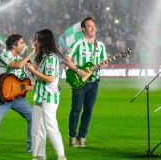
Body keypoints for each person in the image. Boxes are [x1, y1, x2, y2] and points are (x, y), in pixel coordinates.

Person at [0, 34, 34, 155]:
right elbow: (17, 65)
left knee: (33, 117)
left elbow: (25, 82)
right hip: (2, 98)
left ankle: (31, 146)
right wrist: (32, 53)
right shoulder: (4, 55)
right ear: (14, 45)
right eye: (21, 43)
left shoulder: (20, 58)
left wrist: (41, 86)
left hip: (17, 98)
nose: (23, 45)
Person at [62, 16, 107, 148]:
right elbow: (66, 59)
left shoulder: (101, 45)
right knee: (76, 110)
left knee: (88, 111)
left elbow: (104, 63)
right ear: (83, 29)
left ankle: (81, 136)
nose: (93, 28)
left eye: (94, 25)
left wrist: (103, 64)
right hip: (79, 82)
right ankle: (72, 137)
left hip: (94, 82)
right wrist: (77, 70)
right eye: (89, 26)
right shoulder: (77, 43)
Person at [26, 29, 66, 160]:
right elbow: (37, 73)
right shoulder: (44, 57)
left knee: (50, 127)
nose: (35, 41)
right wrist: (32, 54)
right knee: (37, 128)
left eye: (37, 39)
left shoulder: (51, 58)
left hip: (49, 97)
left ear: (44, 40)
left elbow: (49, 78)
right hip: (40, 96)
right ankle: (39, 155)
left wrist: (33, 71)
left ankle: (61, 155)